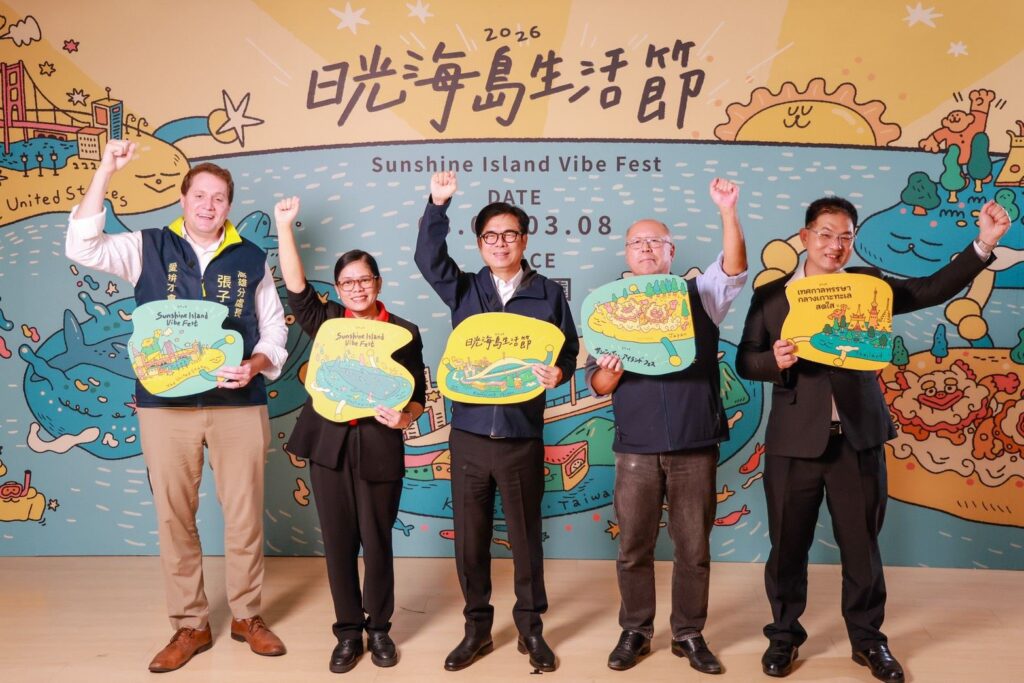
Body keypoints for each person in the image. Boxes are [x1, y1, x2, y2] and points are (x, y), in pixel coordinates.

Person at [736, 196, 1010, 682]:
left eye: (845, 236)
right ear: (805, 237)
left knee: (862, 546)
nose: (835, 245)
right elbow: (745, 359)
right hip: (793, 442)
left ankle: (868, 640)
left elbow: (928, 290)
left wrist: (983, 244)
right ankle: (783, 636)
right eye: (825, 234)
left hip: (857, 437)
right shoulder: (773, 296)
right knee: (787, 547)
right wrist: (771, 361)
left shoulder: (869, 287)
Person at [65, 140, 289, 672]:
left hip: (239, 404)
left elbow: (274, 327)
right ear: (183, 199)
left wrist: (256, 364)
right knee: (174, 516)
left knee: (244, 516)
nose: (208, 205)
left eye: (219, 198)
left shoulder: (251, 257)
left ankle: (247, 616)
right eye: (200, 195)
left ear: (229, 206)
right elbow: (82, 245)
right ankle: (190, 624)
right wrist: (106, 171)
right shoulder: (147, 246)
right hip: (164, 406)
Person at [415, 171, 579, 672]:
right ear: (480, 244)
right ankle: (477, 630)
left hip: (521, 435)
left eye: (510, 234)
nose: (501, 243)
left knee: (526, 539)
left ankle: (531, 630)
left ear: (524, 240)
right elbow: (428, 257)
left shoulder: (548, 294)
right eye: (491, 236)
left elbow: (568, 349)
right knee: (470, 540)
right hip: (468, 436)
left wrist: (560, 371)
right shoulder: (465, 289)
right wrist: (437, 205)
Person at [586, 178, 747, 674]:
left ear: (671, 251)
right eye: (637, 242)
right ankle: (635, 630)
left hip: (694, 442)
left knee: (693, 547)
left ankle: (688, 633)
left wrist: (728, 211)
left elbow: (735, 267)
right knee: (633, 546)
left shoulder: (701, 294)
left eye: (655, 241)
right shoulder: (608, 309)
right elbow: (598, 385)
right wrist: (610, 372)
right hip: (636, 446)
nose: (646, 248)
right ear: (627, 253)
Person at [274, 196, 426, 673]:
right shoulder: (328, 323)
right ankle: (347, 633)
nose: (357, 288)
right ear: (338, 288)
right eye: (347, 282)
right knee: (339, 543)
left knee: (377, 542)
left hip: (378, 445)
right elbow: (296, 289)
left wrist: (405, 418)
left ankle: (379, 629)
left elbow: (417, 395)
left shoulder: (403, 331)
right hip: (329, 446)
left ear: (378, 283)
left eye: (364, 280)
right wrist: (284, 227)